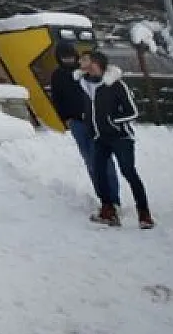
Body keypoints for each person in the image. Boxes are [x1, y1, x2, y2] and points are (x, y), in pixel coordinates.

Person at [83, 50, 154, 229]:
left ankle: (144, 213)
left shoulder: (116, 85)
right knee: (99, 172)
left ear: (96, 64)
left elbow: (132, 112)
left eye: (85, 60)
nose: (81, 64)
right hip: (100, 137)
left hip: (121, 137)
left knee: (128, 172)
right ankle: (108, 211)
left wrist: (112, 120)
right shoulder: (85, 84)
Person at [46, 42, 118, 209]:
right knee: (90, 161)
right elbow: (57, 99)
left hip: (96, 123)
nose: (68, 60)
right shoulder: (57, 75)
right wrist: (66, 119)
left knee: (104, 160)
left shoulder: (86, 72)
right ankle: (104, 200)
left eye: (71, 56)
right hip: (77, 124)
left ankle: (114, 199)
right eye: (65, 57)